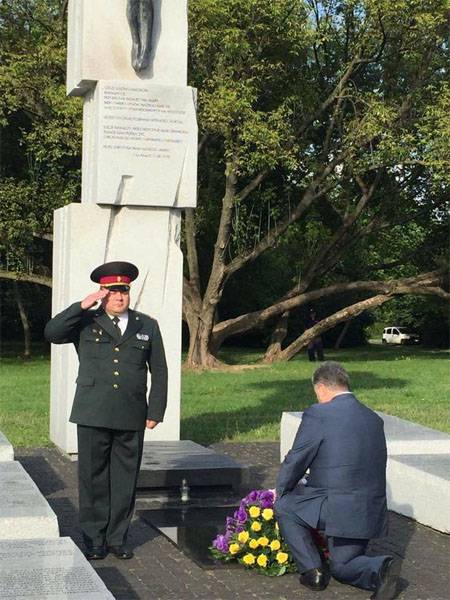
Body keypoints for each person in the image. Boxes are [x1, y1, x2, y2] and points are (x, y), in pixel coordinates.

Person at [45, 261, 167, 560]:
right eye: (112, 291)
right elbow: (52, 333)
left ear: (128, 292)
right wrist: (82, 305)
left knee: (125, 479)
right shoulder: (86, 321)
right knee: (92, 478)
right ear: (103, 293)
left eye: (123, 291)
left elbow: (160, 370)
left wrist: (156, 410)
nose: (119, 297)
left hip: (131, 413)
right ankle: (93, 538)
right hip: (92, 412)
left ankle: (117, 538)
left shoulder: (146, 324)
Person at [274, 361, 400, 599]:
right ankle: (382, 567)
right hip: (367, 511)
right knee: (344, 566)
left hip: (335, 506)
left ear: (321, 388)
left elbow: (297, 458)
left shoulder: (319, 413)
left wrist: (281, 490)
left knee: (285, 507)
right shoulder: (373, 418)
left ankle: (313, 572)